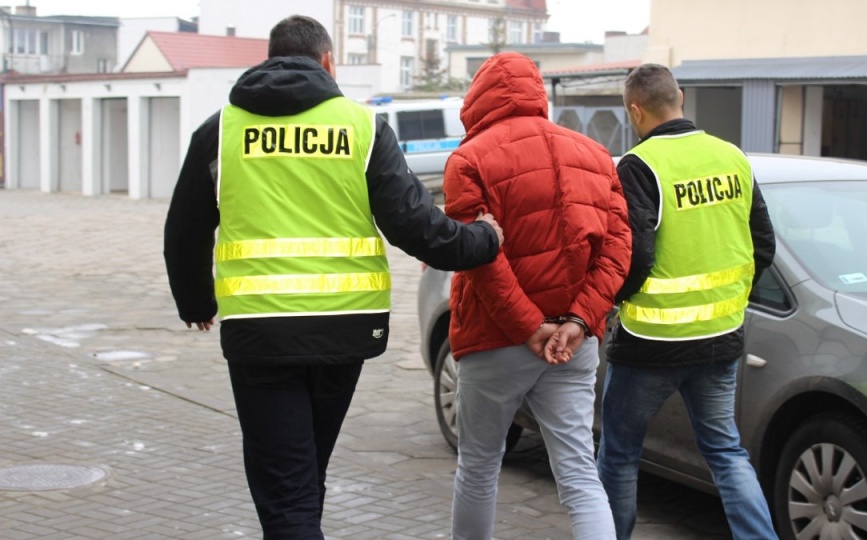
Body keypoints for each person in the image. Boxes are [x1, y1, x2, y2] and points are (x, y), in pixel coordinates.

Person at [163, 15, 503, 539]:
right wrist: (485, 237)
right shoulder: (362, 126)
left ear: (270, 59)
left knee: (287, 490)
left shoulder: (221, 129)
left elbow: (184, 229)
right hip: (344, 332)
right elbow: (418, 228)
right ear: (328, 62)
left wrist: (196, 303)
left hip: (261, 333)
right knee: (303, 477)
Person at [443, 52, 631, 540]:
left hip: (494, 339)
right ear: (538, 93)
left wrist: (529, 326)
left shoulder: (468, 160)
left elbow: (479, 258)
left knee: (480, 466)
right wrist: (579, 321)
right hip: (573, 341)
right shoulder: (595, 156)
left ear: (478, 98)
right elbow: (616, 251)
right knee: (578, 471)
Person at [596, 63, 778, 540]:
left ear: (635, 110)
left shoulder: (638, 165)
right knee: (726, 453)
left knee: (619, 452)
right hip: (721, 339)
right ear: (680, 97)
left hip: (649, 343)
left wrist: (617, 299)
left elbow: (633, 255)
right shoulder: (732, 156)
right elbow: (763, 244)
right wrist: (730, 299)